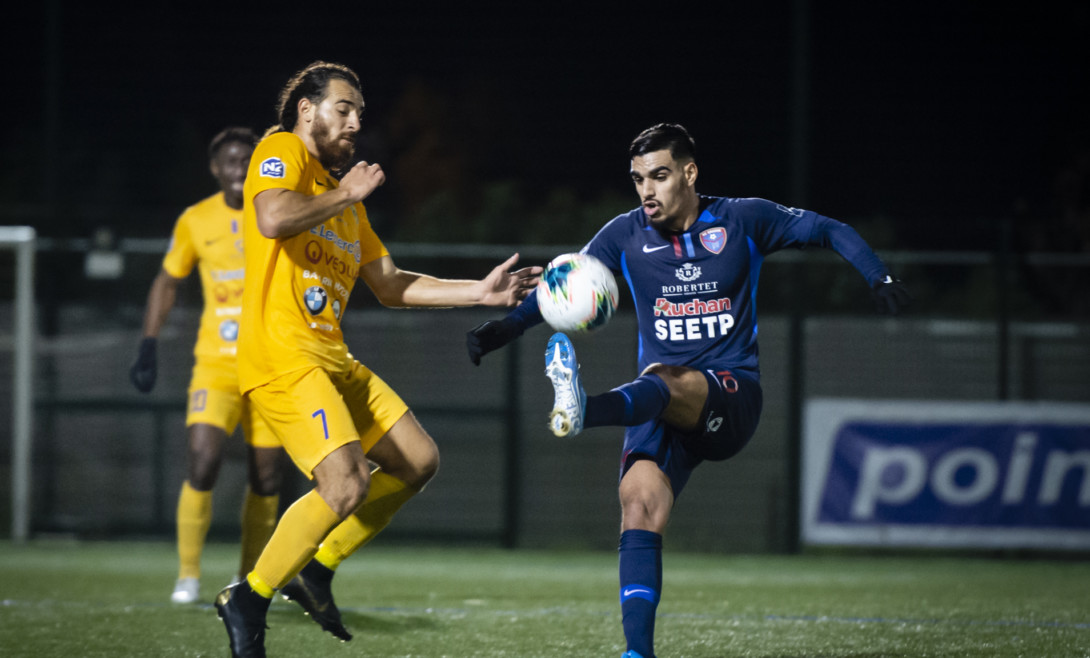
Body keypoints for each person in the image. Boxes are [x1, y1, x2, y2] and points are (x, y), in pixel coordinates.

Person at [466, 123, 910, 658]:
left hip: (732, 393)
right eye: (637, 180)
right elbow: (563, 289)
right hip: (657, 403)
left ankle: (585, 408)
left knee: (663, 379)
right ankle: (637, 652)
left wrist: (877, 276)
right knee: (638, 505)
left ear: (689, 173)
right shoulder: (625, 235)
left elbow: (827, 228)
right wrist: (499, 331)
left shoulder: (742, 218)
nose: (646, 191)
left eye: (658, 176)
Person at [214, 61, 541, 658]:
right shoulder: (283, 148)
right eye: (344, 108)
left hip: (332, 358)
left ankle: (318, 567)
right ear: (308, 109)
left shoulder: (348, 205)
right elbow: (271, 217)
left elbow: (390, 286)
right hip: (282, 358)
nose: (356, 122)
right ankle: (250, 596)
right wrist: (345, 192)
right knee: (345, 485)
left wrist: (481, 292)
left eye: (359, 112)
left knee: (418, 460)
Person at [129, 127, 286, 605]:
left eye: (248, 160)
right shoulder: (196, 219)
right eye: (231, 161)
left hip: (271, 366)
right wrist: (148, 344)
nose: (239, 169)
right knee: (203, 460)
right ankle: (188, 575)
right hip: (215, 366)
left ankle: (246, 581)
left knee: (268, 477)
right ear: (216, 169)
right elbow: (167, 281)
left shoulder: (279, 213)